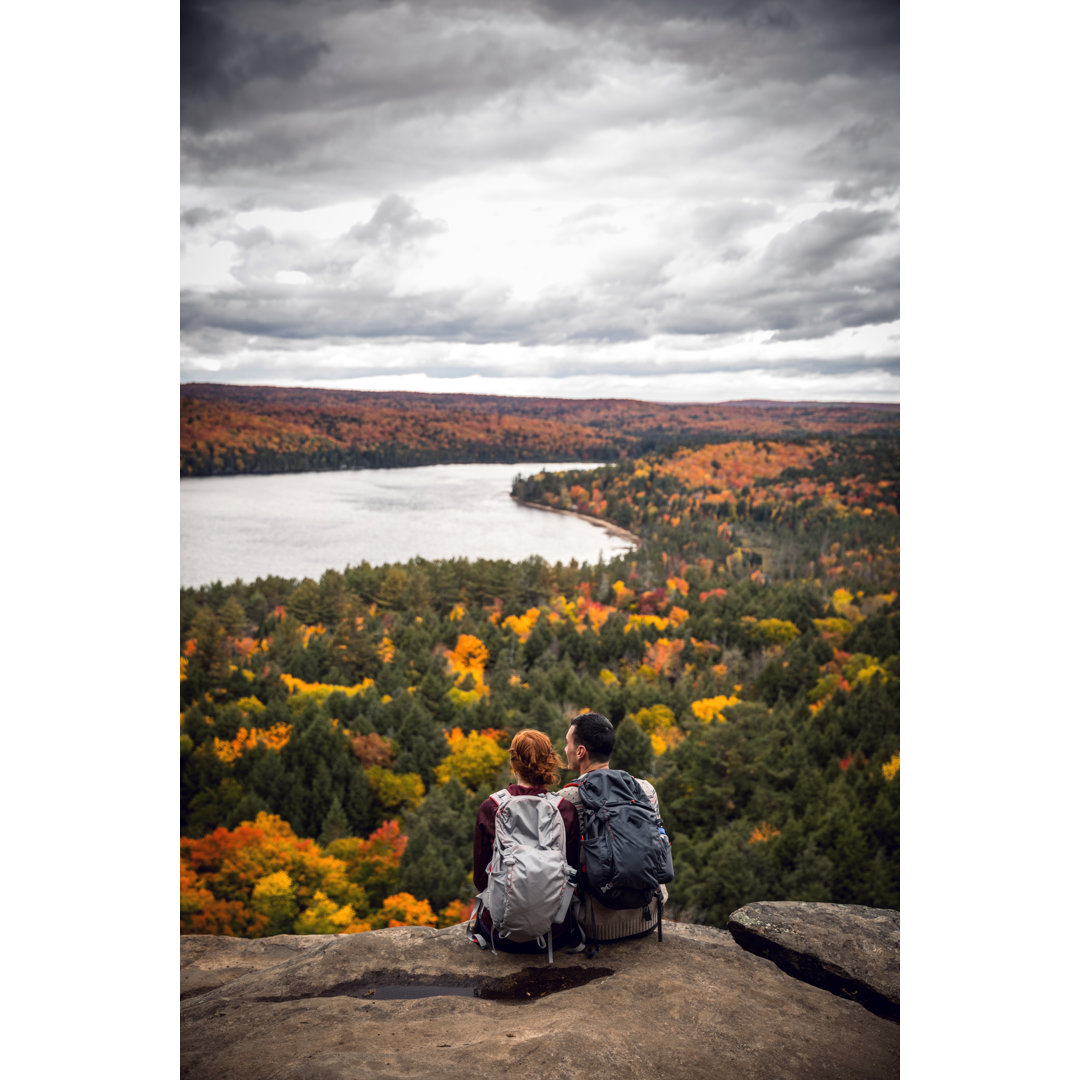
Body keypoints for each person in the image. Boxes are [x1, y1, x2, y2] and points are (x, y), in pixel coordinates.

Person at [557, 710, 670, 944]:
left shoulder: (566, 799)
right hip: (647, 919)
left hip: (594, 925)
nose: (564, 749)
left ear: (580, 752)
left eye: (567, 743)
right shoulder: (645, 790)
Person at [471, 729, 583, 952]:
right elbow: (571, 874)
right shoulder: (565, 810)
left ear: (513, 763)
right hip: (553, 931)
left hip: (501, 933)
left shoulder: (491, 807)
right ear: (549, 762)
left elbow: (481, 880)